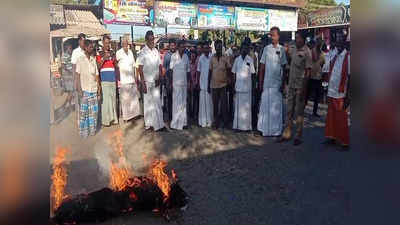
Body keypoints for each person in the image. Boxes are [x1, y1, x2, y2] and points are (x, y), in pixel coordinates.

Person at [278, 31, 312, 146]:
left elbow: (308, 72)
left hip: (300, 86)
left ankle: (298, 135)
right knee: (289, 110)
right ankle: (286, 134)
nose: (296, 40)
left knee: (299, 112)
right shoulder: (293, 49)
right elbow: (288, 59)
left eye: (298, 38)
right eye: (296, 38)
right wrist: (287, 52)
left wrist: (304, 89)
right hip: (291, 85)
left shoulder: (307, 52)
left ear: (303, 39)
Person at [257, 26, 288, 137]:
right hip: (266, 83)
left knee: (276, 108)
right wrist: (260, 83)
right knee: (265, 106)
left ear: (278, 36)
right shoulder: (266, 49)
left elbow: (284, 68)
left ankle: (276, 131)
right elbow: (262, 67)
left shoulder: (282, 49)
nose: (272, 37)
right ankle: (262, 129)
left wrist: (283, 84)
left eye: (274, 35)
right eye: (271, 35)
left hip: (277, 84)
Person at [324, 34, 350, 149]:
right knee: (331, 117)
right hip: (331, 91)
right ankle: (332, 137)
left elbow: (352, 77)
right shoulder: (334, 54)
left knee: (341, 118)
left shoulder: (348, 57)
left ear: (344, 43)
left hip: (341, 93)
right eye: (337, 41)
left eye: (340, 41)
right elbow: (328, 70)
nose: (338, 43)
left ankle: (344, 142)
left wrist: (349, 96)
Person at [137, 31, 165, 132]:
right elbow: (139, 68)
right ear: (146, 40)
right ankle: (148, 125)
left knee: (157, 103)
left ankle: (159, 124)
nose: (151, 41)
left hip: (156, 81)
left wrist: (160, 78)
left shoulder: (156, 51)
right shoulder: (142, 52)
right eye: (149, 39)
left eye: (152, 39)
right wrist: (142, 82)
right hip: (147, 82)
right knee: (148, 104)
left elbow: (159, 65)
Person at [75, 40, 101, 138]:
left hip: (93, 89)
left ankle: (92, 132)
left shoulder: (93, 59)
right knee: (84, 114)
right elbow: (77, 75)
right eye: (90, 47)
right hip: (84, 90)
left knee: (93, 114)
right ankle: (83, 134)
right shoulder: (80, 59)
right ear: (85, 48)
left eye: (92, 47)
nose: (92, 49)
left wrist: (99, 88)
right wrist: (79, 89)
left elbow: (96, 75)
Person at [231, 42, 255, 132]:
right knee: (238, 109)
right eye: (243, 49)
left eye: (246, 49)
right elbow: (233, 73)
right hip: (238, 88)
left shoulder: (250, 60)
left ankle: (247, 127)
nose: (244, 50)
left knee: (247, 108)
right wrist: (233, 86)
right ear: (240, 50)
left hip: (248, 88)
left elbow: (253, 74)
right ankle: (237, 127)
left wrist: (253, 87)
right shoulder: (237, 60)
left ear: (248, 50)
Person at [116, 37, 141, 122]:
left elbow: (134, 65)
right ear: (122, 44)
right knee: (125, 99)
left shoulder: (130, 52)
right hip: (124, 80)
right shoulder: (118, 53)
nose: (126, 45)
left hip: (132, 79)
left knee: (134, 99)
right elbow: (116, 64)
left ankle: (134, 115)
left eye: (127, 43)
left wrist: (136, 77)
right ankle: (126, 117)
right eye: (124, 43)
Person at [208, 39, 231, 130]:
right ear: (215, 47)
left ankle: (226, 123)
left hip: (223, 85)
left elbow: (229, 70)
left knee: (224, 105)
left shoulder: (225, 57)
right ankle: (216, 123)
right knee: (215, 105)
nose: (219, 48)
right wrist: (208, 84)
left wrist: (229, 80)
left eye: (220, 47)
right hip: (214, 85)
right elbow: (210, 72)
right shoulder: (212, 58)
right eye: (217, 47)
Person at [96, 35, 118, 127]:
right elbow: (98, 66)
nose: (107, 44)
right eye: (106, 43)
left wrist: (114, 60)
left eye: (108, 43)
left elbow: (116, 65)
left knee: (113, 99)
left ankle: (113, 119)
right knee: (105, 100)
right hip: (104, 79)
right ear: (102, 43)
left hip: (112, 78)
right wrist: (104, 58)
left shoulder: (112, 52)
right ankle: (105, 121)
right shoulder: (99, 53)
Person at [170, 40, 190, 130]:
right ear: (178, 47)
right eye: (181, 47)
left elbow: (188, 71)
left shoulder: (186, 57)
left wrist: (189, 82)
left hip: (184, 84)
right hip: (176, 84)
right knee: (176, 104)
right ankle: (175, 124)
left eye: (184, 47)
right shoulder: (173, 56)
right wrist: (170, 83)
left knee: (183, 104)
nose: (183, 48)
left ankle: (184, 123)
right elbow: (170, 71)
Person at [305, 41, 325, 117]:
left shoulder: (322, 53)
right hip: (311, 76)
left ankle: (314, 111)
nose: (320, 45)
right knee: (307, 94)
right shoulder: (311, 52)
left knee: (317, 95)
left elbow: (323, 64)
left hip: (318, 77)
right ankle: (302, 109)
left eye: (321, 44)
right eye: (319, 44)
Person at [71, 33, 86, 123]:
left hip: (86, 80)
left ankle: (85, 119)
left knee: (85, 100)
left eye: (85, 41)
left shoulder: (87, 51)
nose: (84, 43)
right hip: (78, 79)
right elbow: (73, 68)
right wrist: (75, 82)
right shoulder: (75, 52)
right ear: (79, 41)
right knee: (79, 101)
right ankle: (79, 121)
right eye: (82, 41)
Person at [197, 42, 213, 127]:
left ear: (209, 48)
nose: (206, 50)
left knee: (210, 104)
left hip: (210, 85)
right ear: (203, 49)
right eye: (205, 48)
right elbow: (198, 72)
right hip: (202, 85)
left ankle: (209, 121)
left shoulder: (212, 57)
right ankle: (202, 121)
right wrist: (198, 83)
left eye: (207, 48)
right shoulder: (200, 58)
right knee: (202, 104)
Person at [163, 39, 176, 127]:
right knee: (170, 99)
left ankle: (176, 117)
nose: (172, 47)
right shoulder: (167, 55)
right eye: (171, 45)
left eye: (174, 45)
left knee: (176, 99)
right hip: (168, 79)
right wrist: (164, 79)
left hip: (177, 79)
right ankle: (170, 118)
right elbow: (164, 68)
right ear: (169, 46)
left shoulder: (178, 54)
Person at [188, 49, 199, 122]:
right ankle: (190, 114)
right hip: (189, 84)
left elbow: (197, 74)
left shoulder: (197, 64)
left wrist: (196, 82)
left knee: (195, 100)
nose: (193, 57)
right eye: (191, 55)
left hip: (195, 84)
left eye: (194, 56)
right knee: (189, 100)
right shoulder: (188, 63)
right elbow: (187, 74)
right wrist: (189, 83)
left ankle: (195, 114)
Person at [61, 43, 74, 107]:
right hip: (68, 76)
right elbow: (63, 65)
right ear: (67, 49)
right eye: (70, 48)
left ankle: (70, 103)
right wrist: (69, 71)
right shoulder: (64, 55)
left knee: (71, 91)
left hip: (71, 75)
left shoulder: (70, 55)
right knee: (71, 90)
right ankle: (66, 104)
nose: (71, 50)